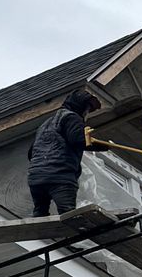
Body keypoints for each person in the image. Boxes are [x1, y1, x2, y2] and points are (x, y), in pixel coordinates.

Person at [27, 85, 102, 216]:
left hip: (36, 178)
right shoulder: (72, 118)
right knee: (68, 214)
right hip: (60, 176)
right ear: (80, 106)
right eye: (87, 108)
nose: (87, 113)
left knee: (40, 213)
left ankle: (40, 222)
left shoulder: (45, 125)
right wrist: (102, 145)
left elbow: (31, 153)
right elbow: (78, 139)